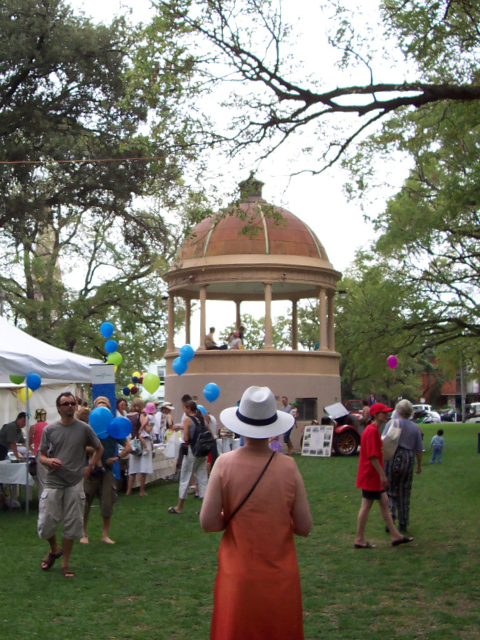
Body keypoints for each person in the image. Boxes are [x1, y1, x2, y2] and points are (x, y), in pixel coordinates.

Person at [200, 386, 313, 639]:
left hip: (237, 575)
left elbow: (207, 522)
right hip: (280, 577)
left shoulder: (224, 463)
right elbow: (304, 526)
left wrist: (231, 518)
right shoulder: (289, 466)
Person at [37, 392, 103, 578]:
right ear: (58, 408)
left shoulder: (83, 429)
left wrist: (90, 466)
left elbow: (99, 448)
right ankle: (54, 549)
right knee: (47, 522)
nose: (69, 406)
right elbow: (41, 455)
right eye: (65, 403)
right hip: (53, 482)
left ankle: (65, 563)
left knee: (72, 523)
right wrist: (48, 462)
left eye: (72, 403)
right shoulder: (50, 430)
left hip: (75, 483)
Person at [354, 402, 413, 549]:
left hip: (371, 475)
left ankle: (395, 535)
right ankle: (359, 539)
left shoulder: (372, 430)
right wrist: (382, 475)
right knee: (366, 506)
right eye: (383, 413)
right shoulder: (372, 431)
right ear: (375, 415)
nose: (386, 415)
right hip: (371, 476)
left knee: (385, 503)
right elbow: (373, 457)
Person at [80, 396, 132, 544]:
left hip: (107, 471)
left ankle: (105, 535)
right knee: (85, 502)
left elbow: (128, 446)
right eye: (99, 407)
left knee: (107, 503)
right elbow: (79, 445)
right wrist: (92, 450)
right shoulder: (88, 428)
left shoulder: (113, 428)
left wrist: (117, 458)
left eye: (105, 407)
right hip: (91, 469)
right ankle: (83, 533)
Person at [383, 399, 423, 533]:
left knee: (390, 490)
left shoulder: (391, 423)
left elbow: (383, 442)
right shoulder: (414, 427)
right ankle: (403, 522)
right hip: (407, 458)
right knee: (404, 491)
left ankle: (390, 519)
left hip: (392, 457)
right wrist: (419, 465)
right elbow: (418, 448)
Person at [168, 400, 213, 514]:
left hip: (192, 451)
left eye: (185, 409)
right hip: (203, 452)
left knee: (185, 478)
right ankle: (205, 509)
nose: (184, 411)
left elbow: (186, 438)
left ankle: (179, 507)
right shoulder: (202, 418)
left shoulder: (187, 419)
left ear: (188, 409)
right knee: (203, 479)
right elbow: (211, 434)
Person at [126, 400, 152, 497]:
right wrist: (151, 424)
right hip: (141, 441)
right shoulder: (140, 415)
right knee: (142, 467)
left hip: (132, 441)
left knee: (132, 468)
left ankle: (129, 490)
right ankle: (142, 491)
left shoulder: (128, 415)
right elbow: (146, 428)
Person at [29, 409, 49, 498]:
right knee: (49, 477)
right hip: (49, 453)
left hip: (39, 452)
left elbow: (28, 442)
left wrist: (32, 449)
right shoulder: (49, 426)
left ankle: (42, 500)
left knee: (41, 479)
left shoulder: (33, 427)